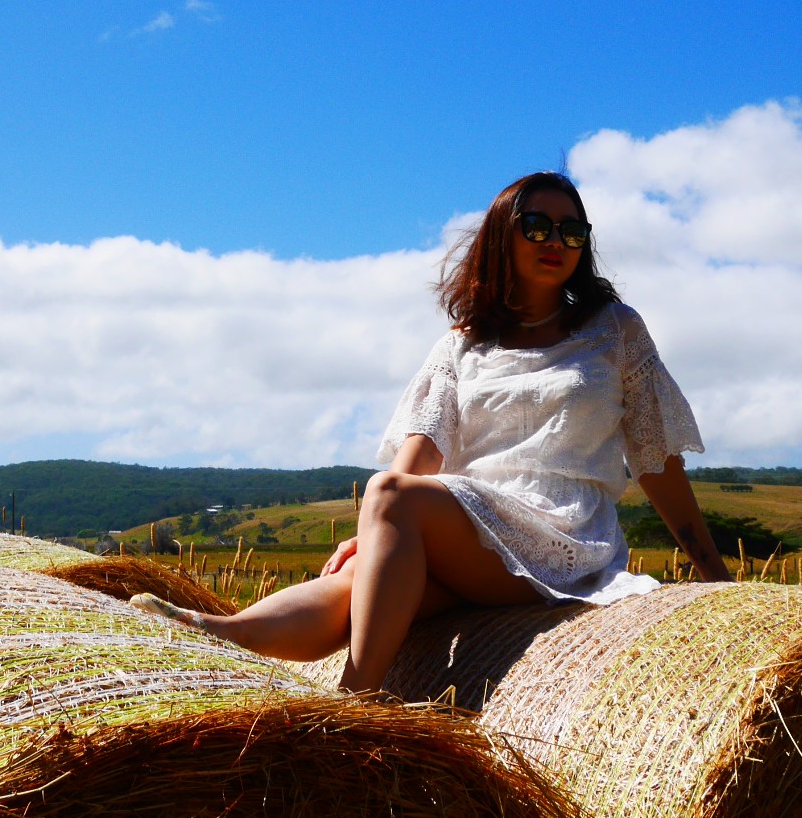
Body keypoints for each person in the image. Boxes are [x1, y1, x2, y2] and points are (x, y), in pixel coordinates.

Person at [131, 170, 731, 692]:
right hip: (470, 539)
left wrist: (719, 584)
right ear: (503, 234)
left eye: (573, 232)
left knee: (385, 495)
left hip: (564, 537)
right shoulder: (463, 345)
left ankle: (355, 701)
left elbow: (656, 462)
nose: (558, 242)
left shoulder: (616, 331)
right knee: (360, 584)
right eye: (538, 226)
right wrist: (374, 527)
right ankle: (214, 632)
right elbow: (418, 455)